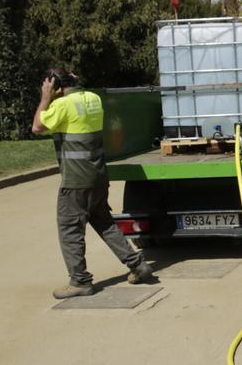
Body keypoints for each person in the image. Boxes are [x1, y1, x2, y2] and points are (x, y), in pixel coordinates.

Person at [32, 67, 153, 299]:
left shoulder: (61, 105)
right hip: (97, 175)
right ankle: (137, 264)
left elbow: (37, 126)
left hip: (76, 180)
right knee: (103, 221)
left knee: (70, 229)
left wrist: (45, 98)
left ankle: (80, 281)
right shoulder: (93, 99)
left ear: (56, 87)